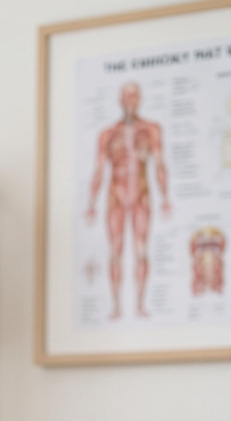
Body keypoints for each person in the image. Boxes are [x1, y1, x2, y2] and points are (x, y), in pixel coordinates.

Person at [86, 81, 171, 318]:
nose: (131, 102)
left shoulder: (151, 129)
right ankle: (116, 306)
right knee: (115, 250)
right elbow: (99, 170)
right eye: (127, 97)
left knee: (141, 249)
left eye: (135, 97)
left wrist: (165, 196)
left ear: (140, 99)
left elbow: (160, 164)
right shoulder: (107, 134)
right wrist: (91, 203)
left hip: (141, 194)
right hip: (116, 194)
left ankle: (140, 305)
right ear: (120, 100)